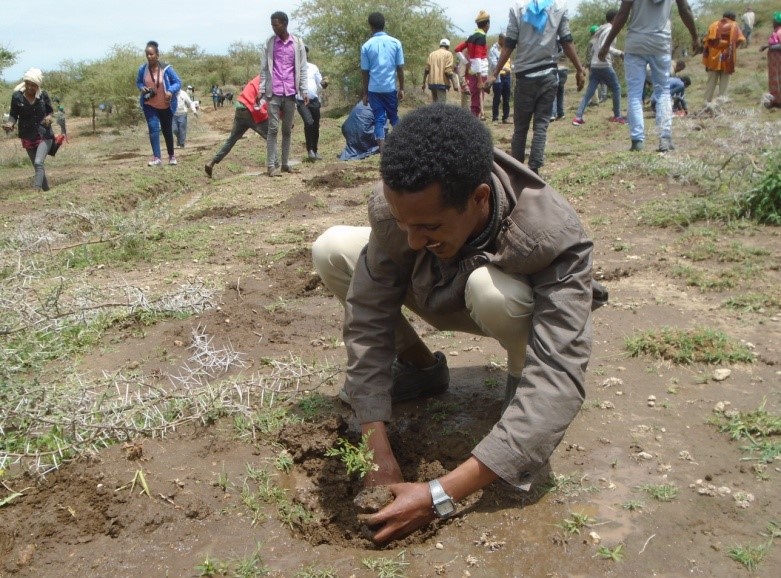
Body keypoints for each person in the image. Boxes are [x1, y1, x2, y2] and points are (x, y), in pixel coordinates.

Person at [312, 103, 607, 545]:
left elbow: (558, 379)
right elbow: (368, 315)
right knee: (332, 247)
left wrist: (438, 494)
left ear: (480, 198)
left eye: (429, 226)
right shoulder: (401, 209)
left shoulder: (551, 235)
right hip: (435, 289)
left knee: (493, 292)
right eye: (404, 223)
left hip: (500, 308)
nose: (413, 241)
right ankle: (420, 370)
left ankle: (514, 387)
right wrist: (378, 454)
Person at [487, 0, 586, 174]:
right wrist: (579, 68)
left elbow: (509, 43)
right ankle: (534, 171)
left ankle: (517, 173)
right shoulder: (559, 6)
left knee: (520, 128)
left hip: (525, 76)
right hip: (548, 74)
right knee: (541, 126)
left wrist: (495, 72)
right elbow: (566, 40)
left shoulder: (517, 7)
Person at [598, 0, 698, 153]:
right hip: (660, 43)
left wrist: (606, 45)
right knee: (663, 91)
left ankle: (637, 141)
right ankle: (664, 137)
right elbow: (685, 9)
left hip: (636, 43)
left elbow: (622, 14)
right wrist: (695, 37)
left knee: (634, 94)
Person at [259, 11, 308, 177]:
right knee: (272, 129)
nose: (273, 28)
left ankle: (285, 163)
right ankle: (271, 166)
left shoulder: (297, 43)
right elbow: (265, 69)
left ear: (285, 24)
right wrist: (261, 89)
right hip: (274, 93)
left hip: (290, 94)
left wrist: (304, 90)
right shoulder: (270, 43)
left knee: (287, 130)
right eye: (272, 25)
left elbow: (302, 68)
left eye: (276, 24)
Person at [204, 76, 269, 178]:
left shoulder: (259, 78)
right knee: (271, 137)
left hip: (240, 107)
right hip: (251, 110)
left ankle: (212, 162)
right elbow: (265, 102)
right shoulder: (269, 80)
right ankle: (273, 165)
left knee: (232, 139)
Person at [2, 68, 55, 191]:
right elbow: (13, 115)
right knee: (37, 167)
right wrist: (10, 123)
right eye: (28, 84)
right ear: (24, 82)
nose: (30, 87)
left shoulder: (43, 95)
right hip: (27, 135)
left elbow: (50, 111)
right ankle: (47, 192)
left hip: (44, 134)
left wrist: (49, 118)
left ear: (38, 85)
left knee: (38, 162)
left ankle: (35, 190)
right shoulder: (17, 97)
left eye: (34, 85)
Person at [361, 12, 405, 153]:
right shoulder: (396, 43)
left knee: (379, 119)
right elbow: (400, 68)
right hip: (390, 88)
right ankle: (402, 146)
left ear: (371, 26)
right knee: (393, 117)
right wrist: (402, 88)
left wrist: (365, 93)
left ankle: (383, 152)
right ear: (384, 24)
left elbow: (365, 72)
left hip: (374, 90)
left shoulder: (366, 46)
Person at [572, 9, 625, 126]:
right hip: (604, 64)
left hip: (595, 65)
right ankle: (617, 116)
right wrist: (620, 53)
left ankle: (578, 117)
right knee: (616, 88)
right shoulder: (610, 29)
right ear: (614, 18)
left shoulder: (601, 29)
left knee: (589, 93)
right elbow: (604, 47)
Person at [136, 40, 182, 166]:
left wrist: (171, 91)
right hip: (150, 104)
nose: (149, 57)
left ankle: (172, 156)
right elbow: (139, 82)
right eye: (147, 54)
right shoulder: (142, 69)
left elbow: (178, 82)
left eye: (151, 54)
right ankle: (157, 158)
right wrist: (142, 87)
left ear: (157, 54)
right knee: (153, 129)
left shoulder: (166, 69)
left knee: (167, 130)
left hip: (166, 105)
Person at [702, 11, 745, 104]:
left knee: (710, 83)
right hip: (727, 58)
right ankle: (719, 105)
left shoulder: (713, 25)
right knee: (724, 84)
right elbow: (740, 39)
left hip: (713, 58)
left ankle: (706, 105)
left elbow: (707, 43)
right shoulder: (734, 25)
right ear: (731, 17)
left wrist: (706, 61)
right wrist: (732, 48)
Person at [456, 11, 491, 119]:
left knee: (476, 100)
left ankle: (474, 125)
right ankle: (473, 127)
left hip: (473, 72)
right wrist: (480, 79)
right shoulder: (481, 37)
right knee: (476, 103)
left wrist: (467, 63)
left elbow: (457, 50)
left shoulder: (471, 37)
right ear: (487, 25)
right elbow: (477, 58)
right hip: (479, 73)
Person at [300, 45, 326, 160]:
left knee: (315, 125)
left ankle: (315, 150)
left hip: (314, 100)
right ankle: (309, 150)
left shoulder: (313, 67)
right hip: (301, 101)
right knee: (309, 123)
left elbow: (320, 83)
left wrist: (324, 83)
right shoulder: (294, 69)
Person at [422, 39, 459, 104]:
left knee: (435, 104)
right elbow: (448, 71)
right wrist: (455, 85)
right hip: (442, 83)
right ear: (448, 47)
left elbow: (426, 70)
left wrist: (423, 83)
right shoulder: (448, 54)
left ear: (440, 45)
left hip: (432, 83)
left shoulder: (432, 54)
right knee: (441, 106)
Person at [488, 33, 512, 123]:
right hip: (498, 76)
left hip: (507, 76)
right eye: (505, 40)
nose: (506, 42)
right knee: (497, 98)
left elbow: (509, 61)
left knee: (506, 98)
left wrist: (510, 68)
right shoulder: (493, 50)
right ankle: (495, 118)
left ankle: (506, 117)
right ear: (500, 39)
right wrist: (503, 68)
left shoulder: (507, 49)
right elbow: (493, 63)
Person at [760, 12, 781, 108]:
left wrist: (771, 47)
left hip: (778, 61)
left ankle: (778, 101)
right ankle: (775, 99)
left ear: (777, 22)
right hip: (774, 62)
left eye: (774, 21)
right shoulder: (777, 31)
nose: (772, 23)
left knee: (777, 79)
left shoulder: (780, 31)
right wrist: (767, 46)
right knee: (775, 79)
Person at [550, 43, 569, 121]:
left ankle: (552, 114)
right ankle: (561, 113)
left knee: (553, 92)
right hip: (564, 70)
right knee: (560, 92)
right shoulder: (565, 49)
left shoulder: (553, 49)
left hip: (557, 70)